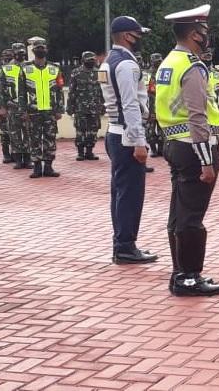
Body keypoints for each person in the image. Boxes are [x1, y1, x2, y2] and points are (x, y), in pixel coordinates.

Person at [155, 5, 219, 296]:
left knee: (179, 212)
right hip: (194, 145)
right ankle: (189, 276)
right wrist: (206, 161)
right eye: (205, 32)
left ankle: (179, 272)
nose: (207, 37)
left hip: (174, 143)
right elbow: (197, 115)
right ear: (195, 34)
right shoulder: (191, 66)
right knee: (192, 216)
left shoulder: (168, 62)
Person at [97, 16, 158, 265]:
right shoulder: (126, 65)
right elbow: (130, 104)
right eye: (137, 34)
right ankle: (125, 246)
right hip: (126, 134)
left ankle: (122, 243)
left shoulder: (109, 62)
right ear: (126, 36)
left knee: (120, 192)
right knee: (130, 193)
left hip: (114, 131)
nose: (140, 38)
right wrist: (138, 141)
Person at [19, 39, 64, 178]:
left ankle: (49, 167)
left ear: (46, 50)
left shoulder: (54, 68)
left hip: (50, 111)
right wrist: (23, 110)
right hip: (33, 111)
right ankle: (37, 167)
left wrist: (59, 109)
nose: (40, 50)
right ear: (33, 51)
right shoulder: (25, 68)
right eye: (38, 48)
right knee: (35, 139)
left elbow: (59, 90)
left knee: (50, 138)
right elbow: (21, 92)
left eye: (43, 47)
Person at [0, 43, 31, 169]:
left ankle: (28, 159)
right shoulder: (6, 68)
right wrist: (2, 106)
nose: (21, 53)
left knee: (28, 132)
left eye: (22, 51)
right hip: (13, 105)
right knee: (14, 133)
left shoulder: (30, 66)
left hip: (28, 106)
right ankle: (18, 159)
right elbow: (1, 89)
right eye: (18, 51)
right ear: (14, 53)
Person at [67, 51, 104, 161]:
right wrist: (70, 107)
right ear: (83, 61)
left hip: (95, 108)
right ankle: (80, 152)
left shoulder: (100, 73)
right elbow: (71, 91)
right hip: (80, 108)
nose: (91, 62)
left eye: (93, 60)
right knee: (80, 130)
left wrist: (104, 106)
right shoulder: (76, 73)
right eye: (89, 60)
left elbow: (103, 91)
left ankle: (89, 151)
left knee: (93, 130)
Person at [0, 49, 15, 164]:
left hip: (15, 106)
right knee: (4, 132)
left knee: (17, 131)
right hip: (2, 107)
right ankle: (6, 154)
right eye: (5, 58)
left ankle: (16, 153)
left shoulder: (18, 70)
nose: (7, 60)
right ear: (1, 59)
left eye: (9, 58)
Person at [146, 53, 165, 157]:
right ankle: (153, 149)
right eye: (156, 60)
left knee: (162, 130)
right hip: (150, 107)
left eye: (159, 60)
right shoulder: (147, 74)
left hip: (162, 106)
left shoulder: (163, 73)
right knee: (150, 130)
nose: (158, 62)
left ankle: (161, 149)